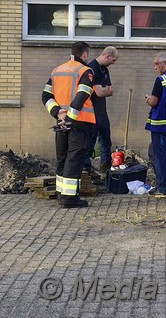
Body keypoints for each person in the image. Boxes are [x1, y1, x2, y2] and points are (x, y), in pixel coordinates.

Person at [41, 41, 96, 208]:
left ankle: (61, 194)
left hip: (61, 122)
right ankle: (69, 199)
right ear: (85, 55)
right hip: (78, 123)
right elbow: (83, 94)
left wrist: (58, 113)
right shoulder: (85, 71)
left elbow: (45, 96)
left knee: (62, 158)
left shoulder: (56, 71)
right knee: (75, 158)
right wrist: (71, 117)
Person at [145, 52, 166, 198]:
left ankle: (162, 188)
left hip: (159, 124)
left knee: (160, 156)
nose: (155, 68)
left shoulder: (160, 80)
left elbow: (154, 101)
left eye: (156, 64)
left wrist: (148, 99)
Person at [86, 46, 118, 180]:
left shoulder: (105, 70)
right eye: (113, 60)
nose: (114, 62)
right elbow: (99, 92)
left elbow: (110, 91)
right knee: (90, 141)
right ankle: (86, 170)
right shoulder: (92, 68)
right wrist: (103, 89)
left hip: (102, 111)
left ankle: (106, 169)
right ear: (107, 56)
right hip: (91, 111)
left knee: (106, 140)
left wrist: (103, 89)